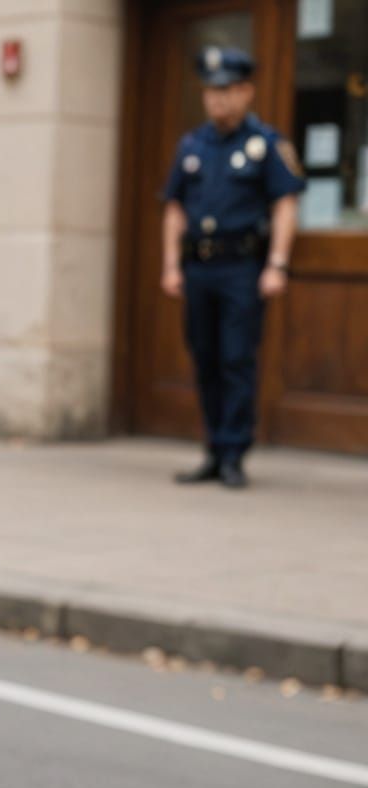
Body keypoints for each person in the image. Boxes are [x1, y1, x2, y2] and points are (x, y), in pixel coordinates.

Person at [161, 46, 304, 489]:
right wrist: (170, 264)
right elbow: (174, 207)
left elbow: (285, 205)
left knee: (236, 360)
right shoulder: (192, 145)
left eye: (226, 90)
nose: (217, 100)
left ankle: (234, 453)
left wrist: (277, 264)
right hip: (199, 268)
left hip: (242, 267)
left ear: (246, 91)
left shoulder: (265, 144)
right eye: (210, 91)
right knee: (205, 359)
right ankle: (213, 448)